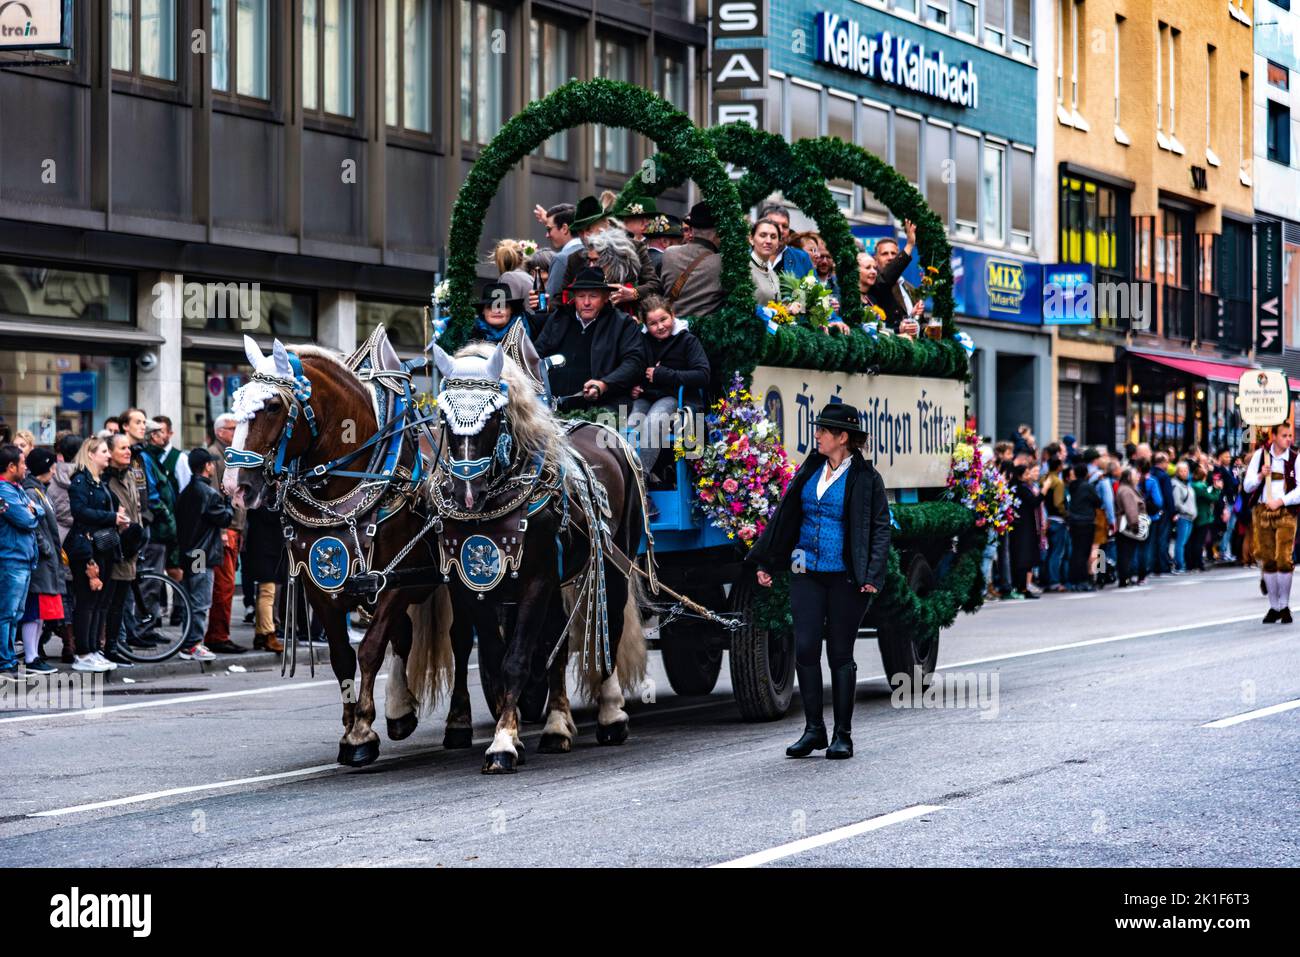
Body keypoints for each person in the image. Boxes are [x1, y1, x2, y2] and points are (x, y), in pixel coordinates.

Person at [747, 404, 890, 760]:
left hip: (846, 577)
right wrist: (768, 561)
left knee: (840, 654)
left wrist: (872, 574)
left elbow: (880, 529)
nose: (818, 435)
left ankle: (843, 734)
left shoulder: (867, 478)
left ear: (843, 438)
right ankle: (814, 730)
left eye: (824, 431)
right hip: (805, 573)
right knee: (807, 647)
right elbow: (786, 516)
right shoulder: (810, 468)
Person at [534, 266, 647, 413]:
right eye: (581, 296)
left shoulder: (622, 323)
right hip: (552, 405)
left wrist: (604, 384)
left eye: (593, 296)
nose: (586, 302)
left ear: (606, 297)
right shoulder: (559, 318)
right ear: (574, 298)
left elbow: (634, 363)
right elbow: (536, 355)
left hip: (602, 406)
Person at [629, 296, 710, 494]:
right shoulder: (642, 340)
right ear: (645, 324)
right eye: (653, 323)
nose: (660, 326)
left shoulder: (687, 340)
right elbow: (634, 366)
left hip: (675, 397)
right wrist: (636, 385)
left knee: (655, 421)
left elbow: (703, 375)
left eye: (664, 319)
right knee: (630, 425)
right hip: (647, 396)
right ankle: (628, 476)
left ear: (673, 315)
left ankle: (640, 482)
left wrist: (664, 374)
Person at [65, 436, 122, 673]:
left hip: (104, 546)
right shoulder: (81, 481)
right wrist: (111, 518)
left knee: (99, 601)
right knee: (87, 601)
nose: (108, 455)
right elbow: (79, 512)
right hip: (87, 547)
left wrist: (118, 519)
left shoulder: (100, 482)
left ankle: (93, 650)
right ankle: (84, 652)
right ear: (90, 454)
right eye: (104, 451)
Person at [177, 448, 233, 660]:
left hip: (189, 552)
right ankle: (193, 644)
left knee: (190, 599)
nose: (214, 466)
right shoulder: (208, 494)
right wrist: (228, 501)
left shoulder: (186, 491)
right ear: (207, 466)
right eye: (212, 463)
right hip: (201, 553)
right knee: (200, 600)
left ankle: (187, 643)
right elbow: (225, 519)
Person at [558, 195, 661, 308]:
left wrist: (633, 293)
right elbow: (560, 297)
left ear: (606, 224)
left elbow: (655, 285)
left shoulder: (634, 248)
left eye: (588, 229)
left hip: (628, 318)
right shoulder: (575, 258)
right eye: (580, 232)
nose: (584, 236)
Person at [102, 433, 145, 667]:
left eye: (128, 448)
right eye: (122, 448)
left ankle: (114, 645)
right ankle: (108, 646)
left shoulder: (129, 476)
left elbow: (136, 508)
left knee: (120, 602)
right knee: (108, 602)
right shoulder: (106, 480)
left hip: (130, 547)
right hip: (113, 548)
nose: (128, 452)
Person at [206, 413, 248, 654]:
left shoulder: (231, 455)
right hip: (225, 529)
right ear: (220, 431)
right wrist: (223, 530)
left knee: (226, 586)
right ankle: (217, 635)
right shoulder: (214, 455)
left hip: (235, 528)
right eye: (233, 429)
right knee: (223, 586)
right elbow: (214, 496)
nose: (237, 433)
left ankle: (220, 634)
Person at [19, 448, 63, 674]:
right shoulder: (32, 491)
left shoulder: (40, 490)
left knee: (41, 612)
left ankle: (34, 653)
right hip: (41, 561)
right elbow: (34, 524)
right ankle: (31, 656)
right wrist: (45, 548)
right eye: (53, 465)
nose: (55, 469)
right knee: (34, 610)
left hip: (47, 561)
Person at [0, 444, 41, 680]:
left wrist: (32, 510)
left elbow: (40, 509)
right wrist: (31, 511)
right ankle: (5, 661)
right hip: (10, 559)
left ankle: (8, 658)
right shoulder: (4, 491)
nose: (26, 467)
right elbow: (26, 519)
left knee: (16, 614)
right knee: (6, 613)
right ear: (11, 466)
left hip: (23, 559)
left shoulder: (17, 488)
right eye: (22, 463)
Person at [658, 201, 724, 317]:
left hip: (672, 329)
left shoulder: (669, 253)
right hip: (704, 332)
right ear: (718, 233)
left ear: (692, 230)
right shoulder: (722, 263)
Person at [242, 503, 286, 653]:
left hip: (267, 549)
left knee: (264, 592)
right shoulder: (264, 499)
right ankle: (269, 634)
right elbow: (272, 516)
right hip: (265, 550)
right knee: (267, 592)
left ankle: (261, 634)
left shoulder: (261, 499)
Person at [867, 221, 924, 334]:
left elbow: (919, 324)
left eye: (894, 254)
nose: (890, 258)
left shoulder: (910, 288)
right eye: (885, 254)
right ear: (875, 259)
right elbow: (887, 278)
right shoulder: (875, 282)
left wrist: (917, 319)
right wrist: (909, 245)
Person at [1007, 463, 1044, 599]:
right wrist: (1044, 490)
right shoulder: (1020, 488)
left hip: (1025, 526)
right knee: (1023, 557)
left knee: (1026, 557)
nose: (1029, 476)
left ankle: (1024, 586)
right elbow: (1034, 501)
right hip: (1023, 527)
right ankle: (1021, 587)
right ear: (1020, 475)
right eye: (1027, 474)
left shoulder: (1019, 487)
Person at [1066, 463, 1102, 591]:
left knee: (1076, 551)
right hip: (1086, 521)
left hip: (1074, 522)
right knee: (1084, 552)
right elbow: (1098, 501)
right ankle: (1082, 580)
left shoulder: (1072, 486)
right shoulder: (1088, 487)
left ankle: (1074, 580)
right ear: (1086, 473)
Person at [537, 202, 580, 307]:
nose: (547, 235)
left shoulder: (562, 258)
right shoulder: (593, 253)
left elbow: (551, 303)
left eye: (549, 229)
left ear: (565, 228)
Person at [756, 203, 814, 279]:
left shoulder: (801, 258)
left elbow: (815, 289)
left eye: (785, 226)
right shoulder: (745, 256)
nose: (780, 230)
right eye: (775, 225)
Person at [470, 281, 536, 344]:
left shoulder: (530, 324)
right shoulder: (471, 333)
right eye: (490, 306)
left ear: (511, 310)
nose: (497, 311)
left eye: (502, 306)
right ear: (482, 311)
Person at [1114, 467, 1147, 587]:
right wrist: (1135, 524)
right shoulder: (1127, 491)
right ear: (1128, 477)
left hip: (1127, 526)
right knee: (1126, 554)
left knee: (1126, 554)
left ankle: (1125, 578)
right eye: (1135, 475)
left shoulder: (1127, 489)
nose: (1137, 477)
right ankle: (1124, 578)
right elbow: (1131, 509)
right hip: (1128, 527)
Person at [1040, 456, 1070, 591]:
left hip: (1046, 518)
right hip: (1057, 520)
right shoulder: (1058, 482)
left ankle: (1044, 579)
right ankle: (1054, 581)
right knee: (1056, 552)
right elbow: (1058, 503)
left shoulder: (1044, 479)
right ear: (1058, 467)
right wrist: (1066, 514)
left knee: (1047, 551)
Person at [748, 218, 782, 307]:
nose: (768, 241)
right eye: (763, 235)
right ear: (751, 239)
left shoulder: (773, 274)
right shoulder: (743, 268)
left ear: (778, 243)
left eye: (773, 237)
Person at [1188, 467, 1215, 573]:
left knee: (1194, 540)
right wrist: (1217, 489)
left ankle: (1193, 563)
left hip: (1197, 515)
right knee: (1199, 541)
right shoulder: (1200, 486)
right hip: (1203, 516)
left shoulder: (1193, 485)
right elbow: (1211, 498)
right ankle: (1198, 563)